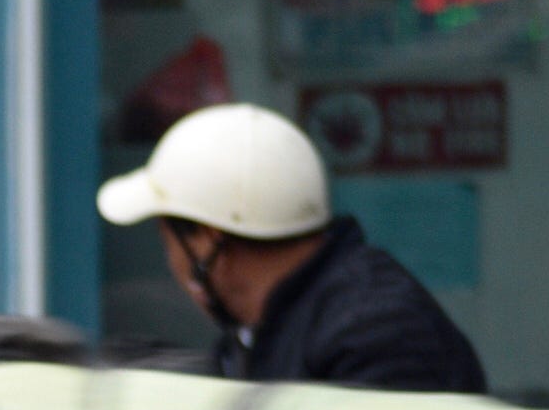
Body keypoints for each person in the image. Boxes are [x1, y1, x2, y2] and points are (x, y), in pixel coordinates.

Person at [95, 102, 486, 393]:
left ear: (209, 238)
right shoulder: (262, 330)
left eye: (169, 241)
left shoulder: (373, 333)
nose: (171, 264)